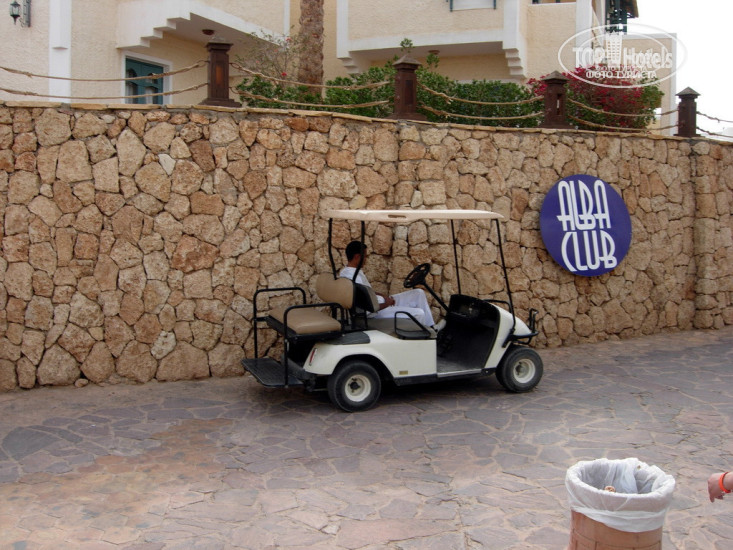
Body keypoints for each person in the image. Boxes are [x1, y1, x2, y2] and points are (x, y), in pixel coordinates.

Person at [339, 240, 439, 328]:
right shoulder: (352, 276)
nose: (366, 259)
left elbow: (367, 291)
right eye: (364, 256)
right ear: (357, 257)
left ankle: (432, 327)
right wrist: (387, 303)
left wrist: (384, 297)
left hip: (381, 303)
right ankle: (425, 338)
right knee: (419, 314)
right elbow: (368, 308)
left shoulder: (352, 271)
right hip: (377, 312)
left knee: (418, 293)